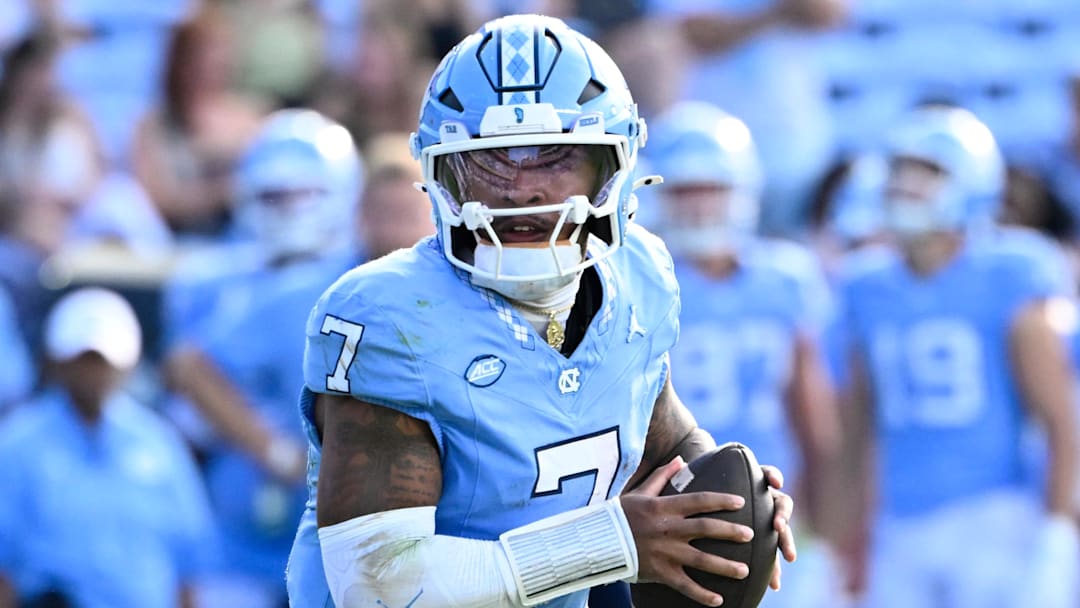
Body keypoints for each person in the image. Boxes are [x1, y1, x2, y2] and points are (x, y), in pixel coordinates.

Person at [285, 14, 796, 608]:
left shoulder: (638, 275)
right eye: (489, 160)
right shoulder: (392, 318)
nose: (520, 189)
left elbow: (660, 439)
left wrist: (715, 500)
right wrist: (611, 544)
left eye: (554, 157)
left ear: (616, 165)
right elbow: (381, 584)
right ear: (438, 173)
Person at [837, 106, 1080, 608]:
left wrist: (1057, 529)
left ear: (970, 182)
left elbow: (1059, 418)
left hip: (993, 515)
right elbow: (854, 429)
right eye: (902, 168)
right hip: (899, 522)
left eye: (930, 170)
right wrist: (843, 541)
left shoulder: (1010, 273)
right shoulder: (865, 285)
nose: (908, 182)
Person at [645, 101, 846, 608]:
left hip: (778, 505)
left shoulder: (786, 277)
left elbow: (811, 411)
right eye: (688, 190)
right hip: (675, 506)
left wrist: (832, 522)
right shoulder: (642, 280)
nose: (701, 206)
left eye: (713, 188)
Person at [163, 108, 363, 608]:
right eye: (274, 195)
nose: (289, 209)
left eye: (303, 194)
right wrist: (272, 449)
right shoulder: (216, 281)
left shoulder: (363, 274)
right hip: (240, 521)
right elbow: (188, 376)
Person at [0, 287, 216, 608]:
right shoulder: (18, 444)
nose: (94, 374)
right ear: (57, 362)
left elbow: (188, 565)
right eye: (83, 361)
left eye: (102, 362)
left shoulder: (158, 442)